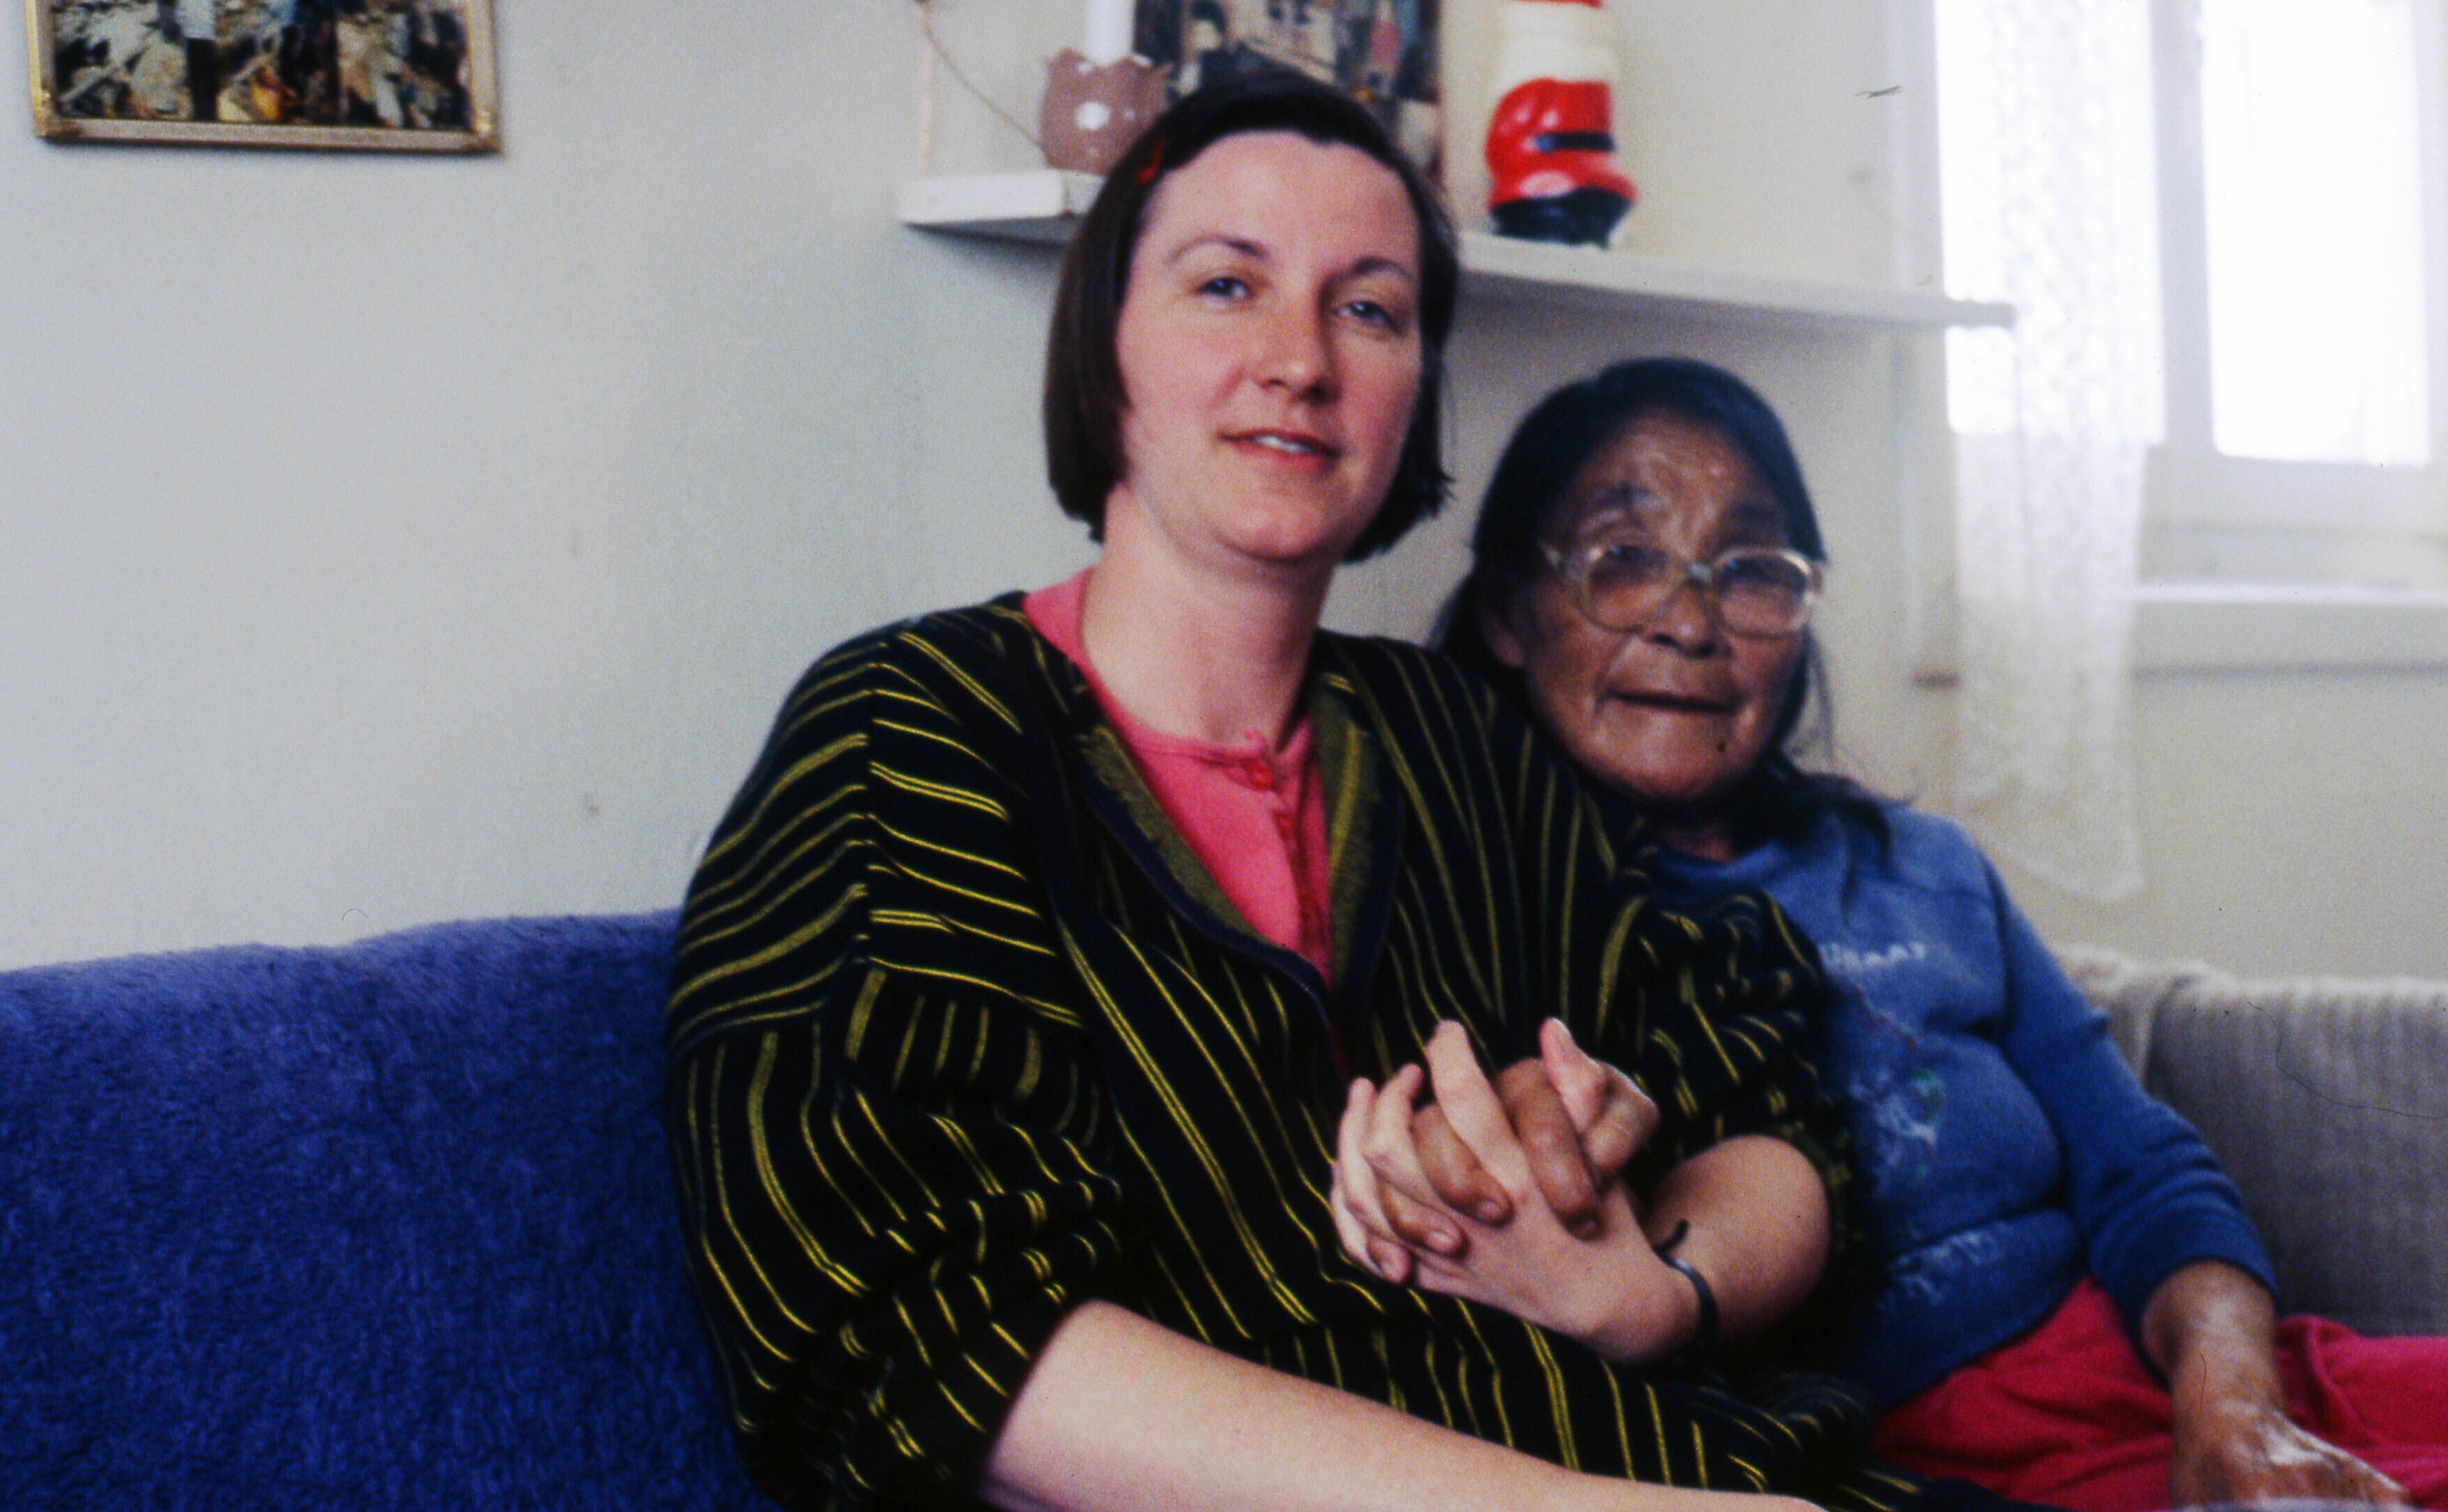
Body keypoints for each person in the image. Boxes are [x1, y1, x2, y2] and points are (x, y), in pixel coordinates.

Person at [665, 79, 2030, 1512]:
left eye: (1367, 309)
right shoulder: (910, 731)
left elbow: (1773, 1113)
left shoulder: (1464, 739)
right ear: (1104, 347)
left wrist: (1649, 1292)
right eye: (1226, 285)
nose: (1298, 361)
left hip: (1732, 1467)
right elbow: (916, 1340)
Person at [1333, 355, 2448, 1512]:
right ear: (1506, 611)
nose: (1690, 623)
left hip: (2180, 1379)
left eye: (1751, 571)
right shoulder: (1508, 926)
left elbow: (2144, 1169)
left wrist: (2231, 1408)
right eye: (1623, 560)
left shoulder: (1922, 866)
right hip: (1919, 1465)